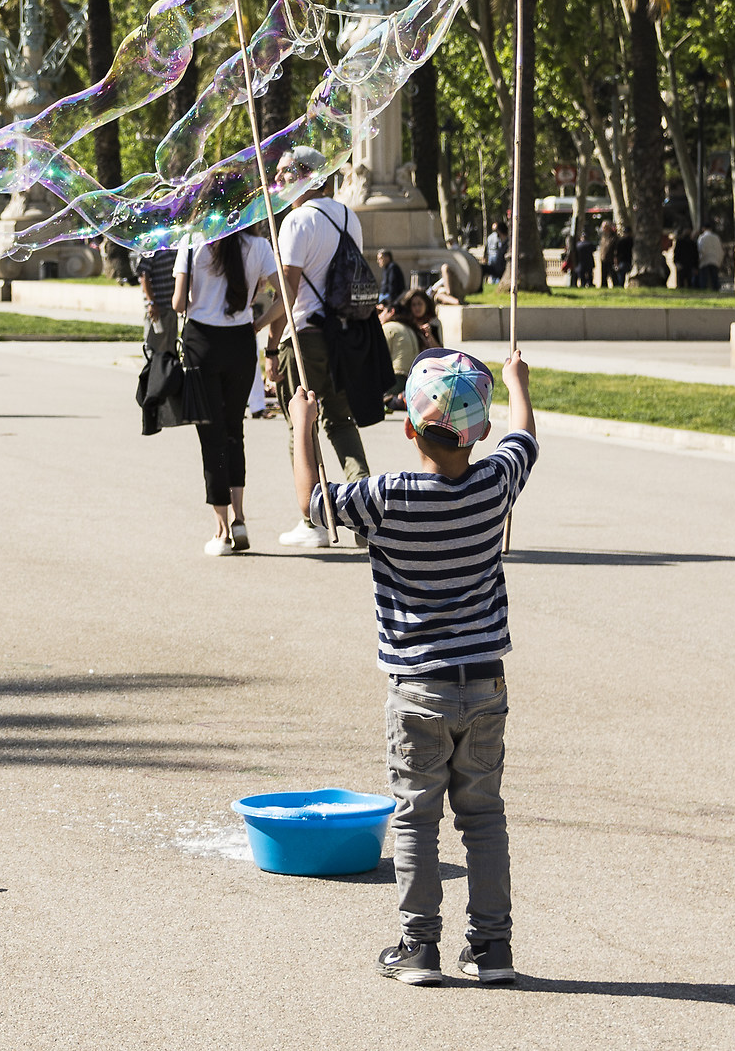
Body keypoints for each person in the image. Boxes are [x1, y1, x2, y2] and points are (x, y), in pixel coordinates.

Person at [292, 347, 535, 989]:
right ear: (480, 431)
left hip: (419, 687)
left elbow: (312, 502)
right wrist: (517, 382)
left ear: (407, 426)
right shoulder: (495, 484)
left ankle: (419, 946)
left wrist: (303, 425)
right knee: (483, 816)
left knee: (416, 817)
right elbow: (526, 440)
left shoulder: (385, 498)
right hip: (484, 683)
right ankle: (492, 948)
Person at [269, 146, 371, 546]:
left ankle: (312, 520)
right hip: (341, 334)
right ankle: (363, 512)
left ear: (307, 176)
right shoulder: (348, 216)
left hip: (305, 336)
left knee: (301, 424)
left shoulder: (296, 221)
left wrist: (268, 340)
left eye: (284, 172)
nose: (277, 179)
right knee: (340, 421)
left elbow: (288, 292)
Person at [175, 226, 279, 556]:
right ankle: (240, 518)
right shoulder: (259, 245)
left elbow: (178, 303)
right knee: (235, 430)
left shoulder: (192, 242)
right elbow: (288, 294)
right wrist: (259, 323)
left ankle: (221, 530)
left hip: (202, 342)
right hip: (240, 342)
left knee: (212, 435)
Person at [695, 220, 724, 292]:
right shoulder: (716, 237)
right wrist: (719, 261)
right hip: (715, 260)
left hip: (705, 260)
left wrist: (699, 260)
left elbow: (700, 249)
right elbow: (720, 250)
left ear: (703, 228)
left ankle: (704, 292)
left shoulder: (702, 237)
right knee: (714, 279)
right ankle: (716, 292)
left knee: (704, 280)